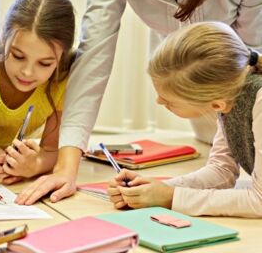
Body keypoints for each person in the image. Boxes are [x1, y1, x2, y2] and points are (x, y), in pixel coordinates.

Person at [16, 0, 262, 205]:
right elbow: (93, 59)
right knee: (219, 156)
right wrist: (66, 167)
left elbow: (249, 71)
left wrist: (170, 197)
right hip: (196, 96)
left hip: (233, 90)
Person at [108, 22, 262, 217]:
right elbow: (221, 171)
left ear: (216, 104)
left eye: (168, 102)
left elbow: (259, 201)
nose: (158, 100)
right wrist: (155, 189)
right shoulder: (229, 93)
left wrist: (171, 197)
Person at [0, 0, 75, 182]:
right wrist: (3, 162)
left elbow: (52, 150)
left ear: (61, 57)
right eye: (18, 56)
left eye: (45, 63)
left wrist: (34, 165)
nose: (27, 72)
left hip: (13, 161)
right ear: (5, 38)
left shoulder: (63, 80)